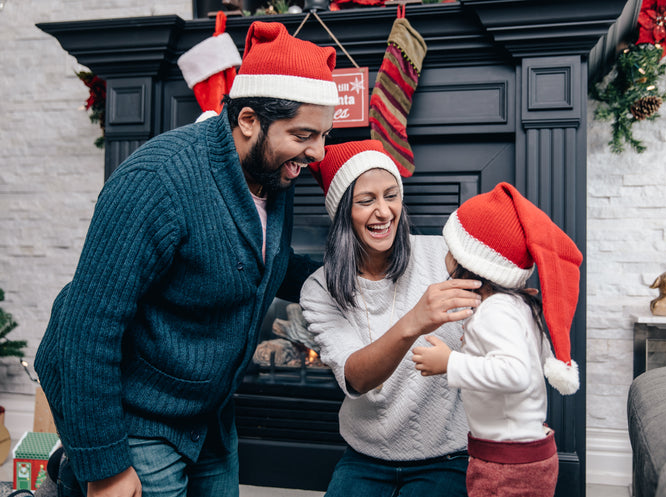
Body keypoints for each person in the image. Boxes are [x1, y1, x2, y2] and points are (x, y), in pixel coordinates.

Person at [34, 21, 338, 497]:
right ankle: (75, 464)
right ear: (248, 120)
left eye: (322, 135)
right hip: (138, 421)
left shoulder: (270, 176)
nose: (317, 153)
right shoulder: (158, 182)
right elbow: (85, 328)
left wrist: (355, 280)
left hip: (210, 419)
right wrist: (105, 466)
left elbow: (261, 264)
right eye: (303, 135)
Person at [300, 140, 482, 497]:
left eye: (391, 195)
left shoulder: (443, 257)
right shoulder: (320, 288)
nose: (384, 212)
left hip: (448, 454)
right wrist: (414, 320)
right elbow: (355, 378)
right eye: (367, 201)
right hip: (365, 457)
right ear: (342, 213)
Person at [411, 182, 583, 497]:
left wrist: (450, 362)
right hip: (529, 454)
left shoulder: (494, 312)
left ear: (470, 262)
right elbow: (531, 360)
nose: (445, 255)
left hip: (506, 465)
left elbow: (515, 373)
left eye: (451, 248)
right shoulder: (519, 304)